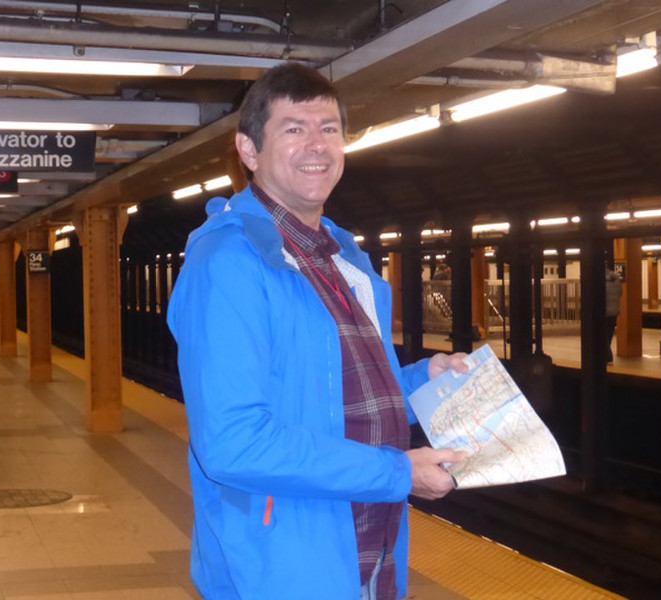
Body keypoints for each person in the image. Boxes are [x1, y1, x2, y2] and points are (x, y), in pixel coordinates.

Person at [167, 62, 468, 600]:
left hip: (367, 550)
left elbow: (336, 389)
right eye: (293, 129)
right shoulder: (227, 264)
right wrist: (398, 474)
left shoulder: (343, 257)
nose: (317, 145)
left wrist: (423, 378)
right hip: (281, 563)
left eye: (329, 129)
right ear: (249, 150)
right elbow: (234, 444)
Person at [605, 266, 623, 363]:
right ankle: (607, 356)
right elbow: (620, 293)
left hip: (603, 312)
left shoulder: (599, 282)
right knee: (608, 335)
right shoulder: (616, 280)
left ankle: (608, 357)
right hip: (614, 311)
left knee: (602, 336)